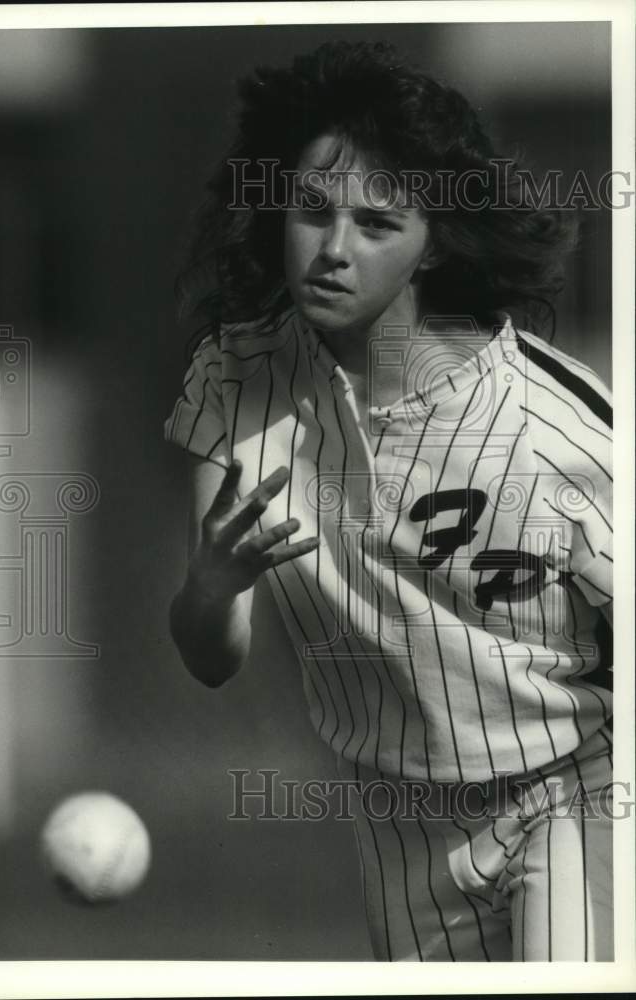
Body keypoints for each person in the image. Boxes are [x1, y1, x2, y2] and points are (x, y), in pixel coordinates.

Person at [164, 41, 613, 961]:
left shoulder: (553, 429)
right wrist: (209, 584)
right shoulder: (232, 382)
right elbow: (213, 657)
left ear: (434, 242)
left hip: (572, 793)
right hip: (398, 823)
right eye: (313, 212)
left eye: (377, 223)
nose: (333, 250)